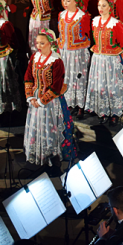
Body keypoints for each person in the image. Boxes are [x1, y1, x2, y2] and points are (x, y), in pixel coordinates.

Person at [24, 30, 76, 172]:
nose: (38, 46)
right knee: (36, 128)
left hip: (50, 103)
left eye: (42, 43)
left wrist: (41, 101)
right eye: (37, 43)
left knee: (50, 129)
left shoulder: (56, 61)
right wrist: (31, 97)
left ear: (50, 44)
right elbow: (28, 77)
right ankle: (38, 157)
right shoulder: (35, 57)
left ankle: (53, 159)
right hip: (35, 100)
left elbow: (56, 86)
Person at [86, 0, 123, 125]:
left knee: (112, 85)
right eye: (99, 5)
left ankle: (114, 112)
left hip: (111, 59)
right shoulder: (95, 21)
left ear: (110, 7)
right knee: (101, 85)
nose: (101, 8)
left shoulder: (115, 23)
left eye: (104, 5)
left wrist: (117, 57)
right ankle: (103, 110)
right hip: (98, 58)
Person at [56, 0, 91, 117]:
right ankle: (69, 102)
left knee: (78, 77)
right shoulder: (61, 15)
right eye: (64, 0)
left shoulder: (82, 16)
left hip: (77, 53)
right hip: (65, 52)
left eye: (68, 0)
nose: (65, 3)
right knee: (67, 77)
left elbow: (87, 35)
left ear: (76, 2)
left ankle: (80, 105)